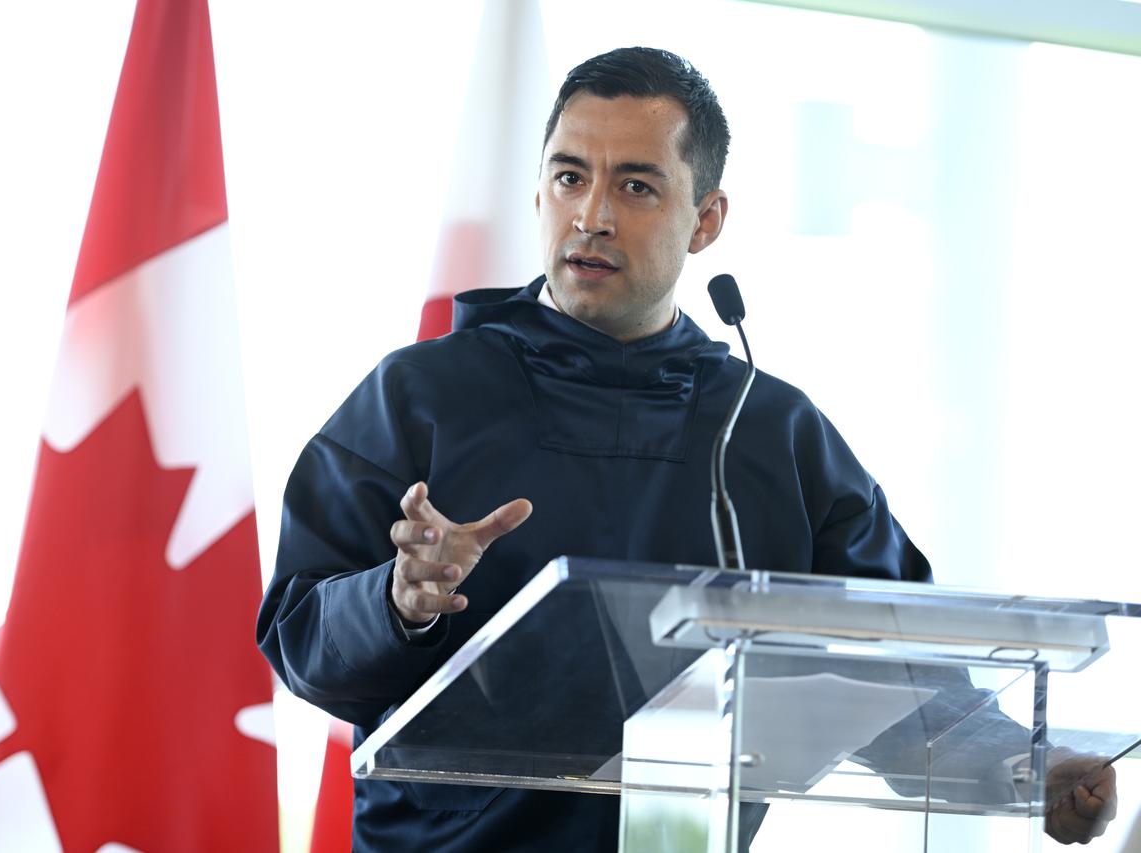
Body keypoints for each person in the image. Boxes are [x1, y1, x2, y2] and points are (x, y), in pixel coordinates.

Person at [257, 47, 1117, 850]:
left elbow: (894, 660)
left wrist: (1027, 766)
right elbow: (297, 633)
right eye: (570, 177)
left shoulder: (770, 429)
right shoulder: (420, 395)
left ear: (706, 220)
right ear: (539, 194)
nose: (590, 215)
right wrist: (398, 599)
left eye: (636, 186)